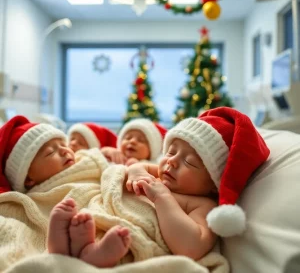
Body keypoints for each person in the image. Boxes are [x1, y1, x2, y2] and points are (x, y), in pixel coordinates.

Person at [125, 107, 270, 260]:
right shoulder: (162, 174)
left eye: (189, 162)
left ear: (213, 185)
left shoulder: (202, 205)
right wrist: (136, 173)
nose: (171, 161)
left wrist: (162, 198)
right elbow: (140, 167)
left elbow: (191, 246)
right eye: (171, 152)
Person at [1, 115, 131, 268]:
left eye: (64, 144)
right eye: (50, 153)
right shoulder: (33, 196)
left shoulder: (88, 160)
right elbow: (30, 210)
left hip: (90, 204)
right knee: (64, 217)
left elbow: (114, 173)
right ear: (28, 178)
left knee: (92, 216)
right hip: (64, 211)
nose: (64, 151)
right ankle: (60, 246)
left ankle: (89, 250)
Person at [103, 118, 167, 166]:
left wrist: (138, 167)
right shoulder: (115, 157)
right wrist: (106, 151)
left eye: (141, 140)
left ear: (152, 151)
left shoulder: (153, 165)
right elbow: (96, 159)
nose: (132, 141)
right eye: (128, 138)